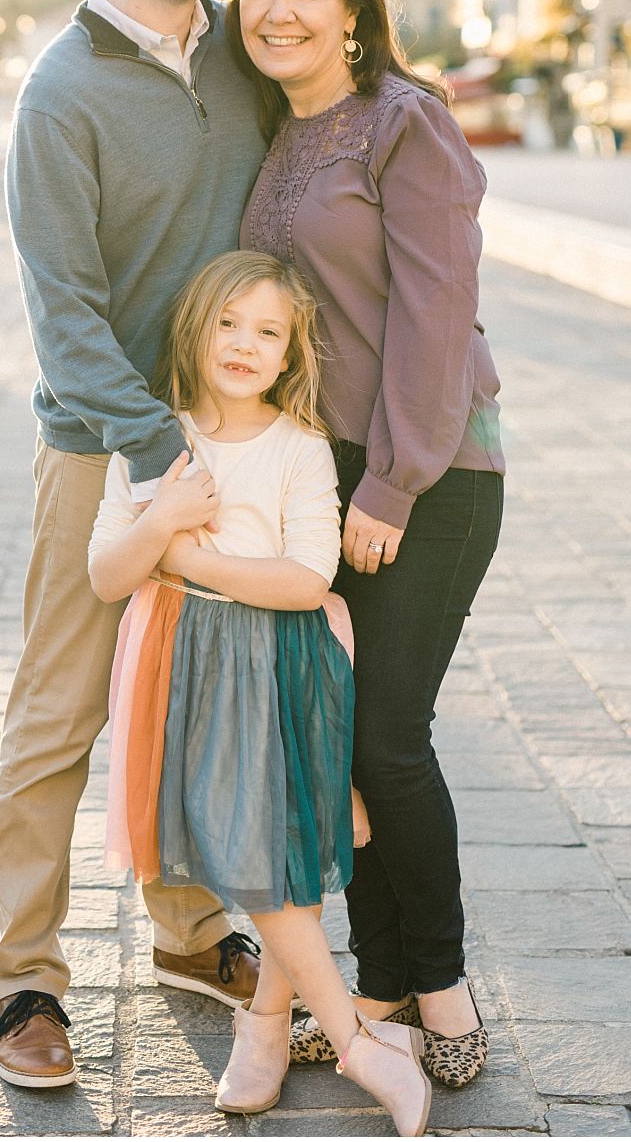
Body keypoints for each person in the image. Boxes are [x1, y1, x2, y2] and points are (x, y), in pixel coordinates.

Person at [0, 0, 270, 1089]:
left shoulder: (243, 63)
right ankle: (24, 978)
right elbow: (65, 312)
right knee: (63, 706)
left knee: (196, 696)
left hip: (226, 441)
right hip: (103, 448)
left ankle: (193, 932)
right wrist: (156, 451)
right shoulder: (61, 90)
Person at [228, 0, 506, 1090]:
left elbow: (438, 325)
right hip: (323, 475)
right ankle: (380, 980)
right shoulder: (277, 132)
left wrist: (392, 481)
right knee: (346, 748)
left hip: (431, 472)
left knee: (389, 739)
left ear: (351, 9)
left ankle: (439, 982)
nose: (278, 11)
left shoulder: (407, 124)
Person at [89, 250, 433, 1138]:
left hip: (281, 661)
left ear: (290, 353)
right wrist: (161, 517)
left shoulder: (298, 446)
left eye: (268, 331)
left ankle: (332, 1039)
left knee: (281, 853)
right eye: (228, 323)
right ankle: (295, 1029)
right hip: (186, 664)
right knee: (257, 852)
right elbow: (104, 573)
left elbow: (308, 573)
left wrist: (191, 557)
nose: (245, 344)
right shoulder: (155, 439)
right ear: (195, 329)